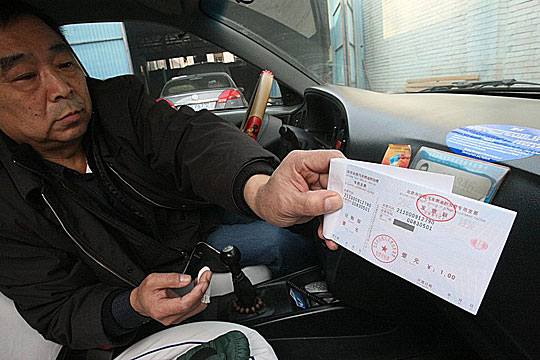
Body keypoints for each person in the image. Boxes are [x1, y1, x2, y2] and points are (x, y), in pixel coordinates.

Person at [0, 2, 343, 358]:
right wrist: (132, 305)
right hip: (154, 272)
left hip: (193, 215)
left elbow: (191, 139)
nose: (61, 87)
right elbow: (56, 309)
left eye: (65, 64)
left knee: (300, 215)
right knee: (280, 242)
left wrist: (260, 190)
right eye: (25, 76)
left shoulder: (117, 105)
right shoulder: (7, 204)